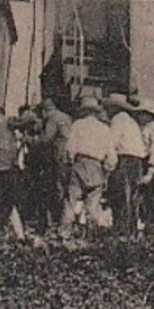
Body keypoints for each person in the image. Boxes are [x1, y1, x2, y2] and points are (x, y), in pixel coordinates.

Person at [61, 96, 115, 237]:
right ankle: (92, 234)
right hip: (97, 165)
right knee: (93, 202)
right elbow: (111, 156)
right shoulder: (105, 129)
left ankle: (65, 231)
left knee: (71, 199)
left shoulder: (77, 125)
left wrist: (70, 163)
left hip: (80, 163)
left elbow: (69, 148)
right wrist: (107, 171)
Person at [105, 93, 147, 235]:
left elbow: (111, 142)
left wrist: (109, 164)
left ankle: (120, 230)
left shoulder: (118, 119)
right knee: (133, 197)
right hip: (137, 161)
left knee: (121, 195)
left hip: (124, 160)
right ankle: (131, 230)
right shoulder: (131, 121)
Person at [32, 97, 73, 231]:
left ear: (44, 112)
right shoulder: (66, 117)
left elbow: (46, 139)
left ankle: (57, 220)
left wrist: (30, 140)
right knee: (65, 188)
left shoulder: (52, 118)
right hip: (69, 156)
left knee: (56, 188)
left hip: (58, 157)